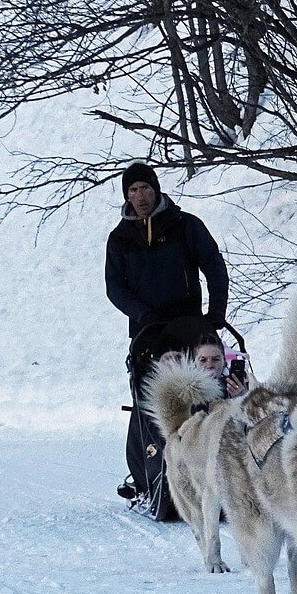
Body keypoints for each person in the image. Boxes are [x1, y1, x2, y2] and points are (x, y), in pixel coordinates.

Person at [107, 161, 231, 502]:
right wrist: (142, 314)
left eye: (145, 188)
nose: (140, 196)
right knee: (148, 400)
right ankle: (145, 473)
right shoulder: (120, 238)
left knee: (204, 394)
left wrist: (216, 312)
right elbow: (114, 287)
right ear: (126, 196)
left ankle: (218, 466)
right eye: (133, 190)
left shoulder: (185, 225)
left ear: (156, 189)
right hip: (148, 334)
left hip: (191, 327)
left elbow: (214, 265)